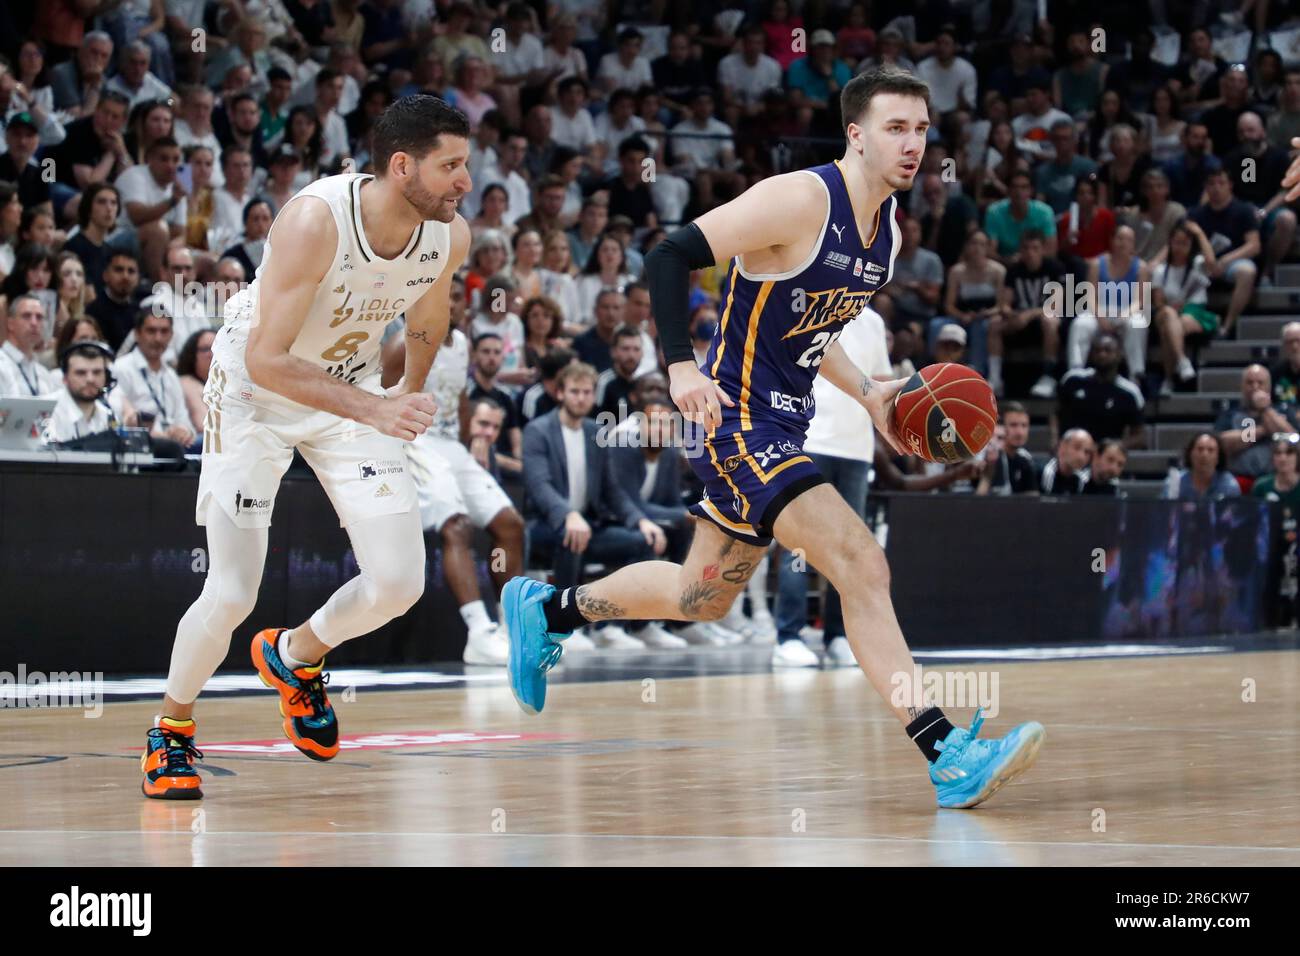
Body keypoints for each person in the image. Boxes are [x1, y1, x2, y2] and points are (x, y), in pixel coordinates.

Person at [501, 67, 1045, 810]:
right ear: (855, 134)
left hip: (783, 422)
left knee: (701, 596)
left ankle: (548, 610)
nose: (913, 144)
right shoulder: (799, 199)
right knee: (861, 561)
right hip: (734, 420)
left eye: (921, 129)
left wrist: (872, 395)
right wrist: (681, 367)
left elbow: (815, 331)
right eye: (895, 128)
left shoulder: (883, 233)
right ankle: (946, 750)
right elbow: (669, 255)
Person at [140, 95, 472, 800]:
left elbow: (427, 315)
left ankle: (296, 656)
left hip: (348, 393)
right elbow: (267, 360)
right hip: (254, 393)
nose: (465, 182)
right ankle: (171, 731)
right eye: (452, 166)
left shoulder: (449, 236)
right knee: (232, 591)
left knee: (399, 582)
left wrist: (407, 395)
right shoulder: (315, 220)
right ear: (403, 165)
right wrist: (378, 407)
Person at [383, 301, 525, 667]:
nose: (452, 304)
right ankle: (478, 633)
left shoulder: (461, 342)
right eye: (444, 295)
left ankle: (512, 631)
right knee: (456, 526)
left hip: (451, 445)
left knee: (510, 524)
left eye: (457, 296)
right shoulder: (404, 342)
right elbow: (378, 397)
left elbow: (459, 398)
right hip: (414, 441)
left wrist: (471, 438)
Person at [113, 310, 195, 448]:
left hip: (173, 448)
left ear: (171, 336)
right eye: (151, 331)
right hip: (137, 446)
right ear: (137, 334)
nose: (158, 338)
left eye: (164, 331)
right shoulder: (121, 368)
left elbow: (184, 420)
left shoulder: (171, 375)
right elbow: (119, 418)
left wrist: (183, 432)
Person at [46, 339, 119, 442]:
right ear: (65, 378)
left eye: (97, 372)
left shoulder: (109, 416)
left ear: (106, 377)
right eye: (81, 373)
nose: (90, 379)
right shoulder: (46, 411)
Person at [0, 294, 59, 397]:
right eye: (26, 316)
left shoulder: (43, 373)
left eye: (39, 317)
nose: (34, 323)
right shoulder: (2, 364)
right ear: (10, 323)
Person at [1165, 432, 1241, 501]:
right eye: (1200, 449)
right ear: (1190, 454)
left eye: (1210, 450)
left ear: (1218, 457)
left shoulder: (1229, 484)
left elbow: (1233, 514)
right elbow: (1165, 512)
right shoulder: (1175, 482)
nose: (1204, 455)